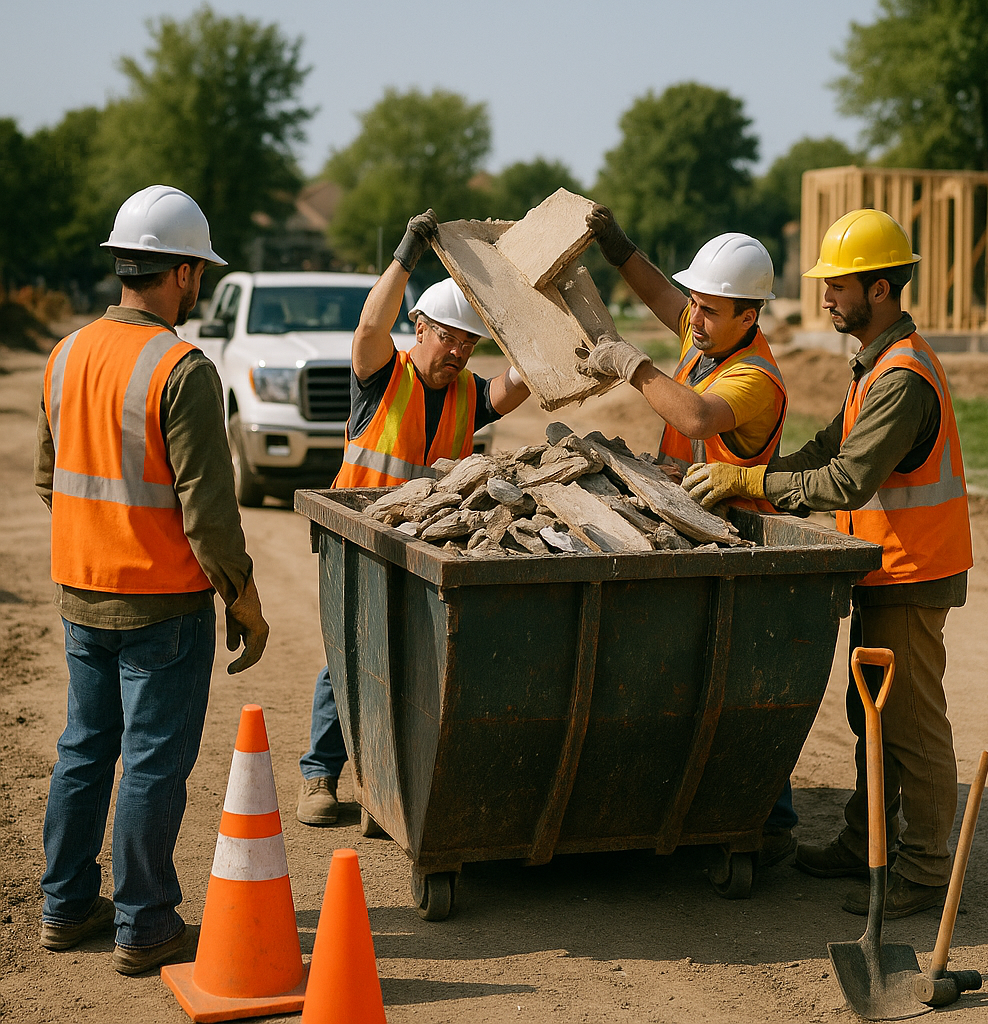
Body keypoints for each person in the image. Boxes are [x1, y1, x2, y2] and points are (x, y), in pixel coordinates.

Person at [683, 209, 972, 918]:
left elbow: (846, 482)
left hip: (912, 572)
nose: (825, 298)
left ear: (881, 289)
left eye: (839, 286)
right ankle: (863, 840)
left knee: (910, 725)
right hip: (883, 569)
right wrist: (760, 476)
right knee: (869, 717)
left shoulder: (902, 378)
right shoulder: (874, 364)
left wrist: (750, 484)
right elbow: (823, 452)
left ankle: (929, 870)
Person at [34, 185, 270, 973]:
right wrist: (242, 597)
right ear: (184, 273)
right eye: (197, 269)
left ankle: (65, 907)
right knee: (154, 761)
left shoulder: (65, 354)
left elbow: (51, 478)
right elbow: (208, 512)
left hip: (80, 590)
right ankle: (144, 925)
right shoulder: (181, 367)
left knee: (83, 750)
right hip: (161, 606)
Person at [296, 209, 531, 825]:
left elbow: (522, 379)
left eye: (468, 341)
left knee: (416, 660)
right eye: (447, 336)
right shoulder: (379, 375)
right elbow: (371, 323)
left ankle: (388, 777)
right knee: (350, 651)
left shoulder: (466, 394)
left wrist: (535, 309)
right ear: (419, 327)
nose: (457, 350)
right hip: (359, 533)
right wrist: (406, 249)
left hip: (426, 542)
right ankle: (319, 775)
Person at [583, 206, 796, 865]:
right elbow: (658, 293)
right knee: (687, 675)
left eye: (707, 310)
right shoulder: (709, 335)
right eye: (695, 305)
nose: (692, 319)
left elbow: (699, 417)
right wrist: (619, 249)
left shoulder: (755, 376)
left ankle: (769, 822)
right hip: (682, 526)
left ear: (749, 316)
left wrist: (632, 364)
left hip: (724, 538)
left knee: (734, 680)